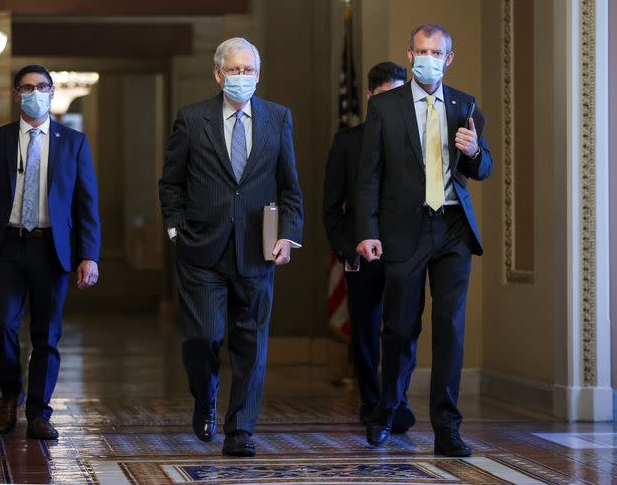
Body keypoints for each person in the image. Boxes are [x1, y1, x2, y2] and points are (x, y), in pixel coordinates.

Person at [159, 37, 304, 458]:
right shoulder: (192, 119)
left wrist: (289, 236)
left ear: (258, 75)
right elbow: (171, 182)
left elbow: (289, 185)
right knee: (204, 337)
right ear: (218, 74)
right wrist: (174, 230)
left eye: (250, 71)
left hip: (258, 250)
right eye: (235, 70)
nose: (242, 78)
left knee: (251, 344)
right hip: (201, 251)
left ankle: (240, 428)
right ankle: (205, 398)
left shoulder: (278, 118)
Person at [355, 24, 492, 457]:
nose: (428, 57)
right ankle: (387, 411)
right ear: (409, 54)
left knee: (450, 330)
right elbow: (369, 175)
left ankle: (447, 428)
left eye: (437, 51)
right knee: (399, 329)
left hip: (452, 228)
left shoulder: (464, 104)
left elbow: (481, 167)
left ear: (449, 58)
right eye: (420, 50)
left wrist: (473, 152)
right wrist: (367, 231)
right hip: (403, 231)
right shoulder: (386, 107)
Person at [0, 64, 100, 440]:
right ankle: (10, 394)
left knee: (46, 335)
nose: (34, 93)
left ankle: (39, 412)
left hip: (51, 249)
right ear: (16, 94)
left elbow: (87, 205)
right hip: (5, 246)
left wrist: (90, 255)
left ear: (52, 93)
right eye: (27, 87)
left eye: (41, 86)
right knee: (3, 323)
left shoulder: (73, 143)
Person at [323, 61, 419, 446]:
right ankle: (370, 400)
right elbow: (332, 207)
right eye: (384, 98)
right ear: (369, 97)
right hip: (360, 253)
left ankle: (396, 400)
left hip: (405, 253)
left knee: (403, 329)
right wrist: (346, 248)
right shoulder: (347, 142)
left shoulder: (413, 140)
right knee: (365, 330)